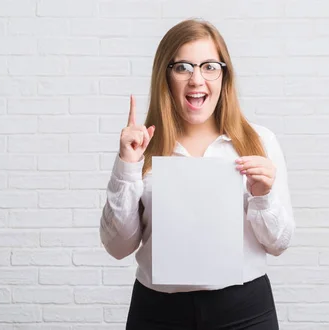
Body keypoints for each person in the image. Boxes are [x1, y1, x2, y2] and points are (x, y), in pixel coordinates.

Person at [99, 18, 295, 330]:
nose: (197, 79)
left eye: (209, 66)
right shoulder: (142, 147)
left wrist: (263, 197)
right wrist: (127, 167)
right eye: (183, 67)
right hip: (158, 312)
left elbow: (279, 243)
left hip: (244, 312)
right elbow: (118, 247)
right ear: (166, 75)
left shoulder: (259, 142)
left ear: (223, 75)